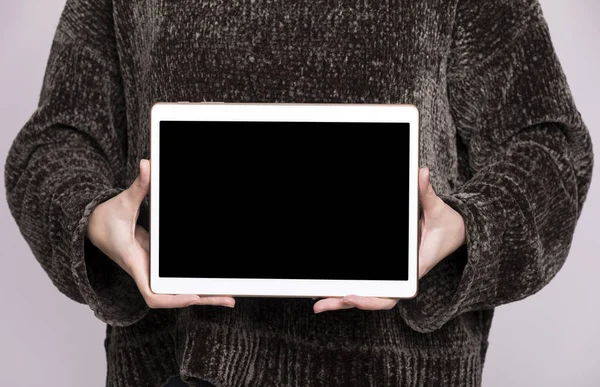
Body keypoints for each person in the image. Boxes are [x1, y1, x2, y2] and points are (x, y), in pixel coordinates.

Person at [4, 0, 594, 386]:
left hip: (401, 372)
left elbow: (551, 147)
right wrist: (92, 220)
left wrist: (466, 227)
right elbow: (53, 144)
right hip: (182, 370)